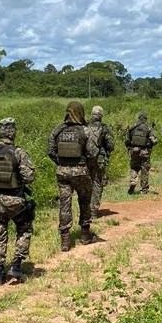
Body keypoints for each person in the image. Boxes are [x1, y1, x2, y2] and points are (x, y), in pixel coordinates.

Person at [0, 118, 36, 285]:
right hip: (16, 201)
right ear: (13, 132)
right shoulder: (19, 153)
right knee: (24, 230)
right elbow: (29, 177)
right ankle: (16, 266)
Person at [48, 101, 99, 251]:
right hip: (81, 172)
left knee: (64, 205)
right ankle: (85, 235)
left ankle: (65, 241)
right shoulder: (85, 131)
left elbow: (50, 151)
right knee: (84, 201)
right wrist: (84, 163)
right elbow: (93, 153)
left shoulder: (57, 130)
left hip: (62, 173)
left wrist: (60, 162)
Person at [87, 105, 115, 219]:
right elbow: (111, 145)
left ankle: (85, 210)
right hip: (99, 160)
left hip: (86, 159)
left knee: (86, 184)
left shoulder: (84, 127)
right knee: (97, 183)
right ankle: (93, 211)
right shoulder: (104, 128)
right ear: (101, 115)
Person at [125, 112, 158, 194]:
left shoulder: (132, 127)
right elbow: (154, 141)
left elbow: (127, 140)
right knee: (144, 170)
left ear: (139, 118)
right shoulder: (148, 128)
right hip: (145, 152)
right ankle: (144, 190)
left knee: (134, 167)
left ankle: (133, 180)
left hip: (134, 151)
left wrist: (130, 147)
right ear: (145, 119)